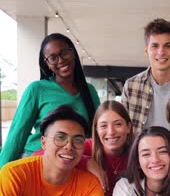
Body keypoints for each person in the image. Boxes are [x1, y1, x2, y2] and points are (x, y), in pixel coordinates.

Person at [0, 33, 100, 168]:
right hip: (39, 161)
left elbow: (97, 133)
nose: (60, 60)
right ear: (46, 64)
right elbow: (17, 134)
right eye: (53, 58)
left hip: (75, 161)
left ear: (73, 53)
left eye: (64, 53)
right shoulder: (37, 89)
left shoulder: (89, 91)